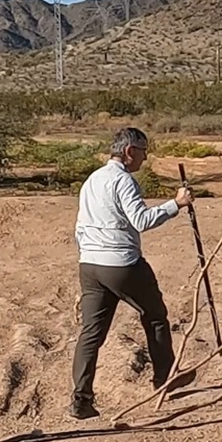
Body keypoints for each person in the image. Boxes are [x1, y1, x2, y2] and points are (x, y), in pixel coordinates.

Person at [70, 127, 192, 419]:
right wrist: (176, 204)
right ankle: (165, 378)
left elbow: (80, 226)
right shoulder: (123, 180)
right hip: (121, 263)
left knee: (91, 333)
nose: (144, 158)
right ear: (129, 151)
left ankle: (81, 400)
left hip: (90, 265)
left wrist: (87, 258)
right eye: (143, 151)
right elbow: (141, 220)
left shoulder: (92, 179)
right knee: (155, 315)